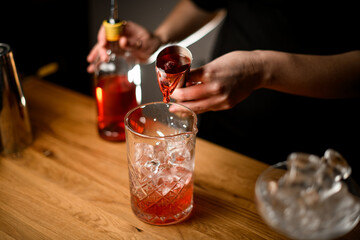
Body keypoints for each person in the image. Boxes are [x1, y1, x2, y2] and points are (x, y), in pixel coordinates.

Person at [88, 0, 360, 180]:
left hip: (317, 149)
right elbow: (206, 1)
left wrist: (261, 70)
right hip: (226, 129)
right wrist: (158, 38)